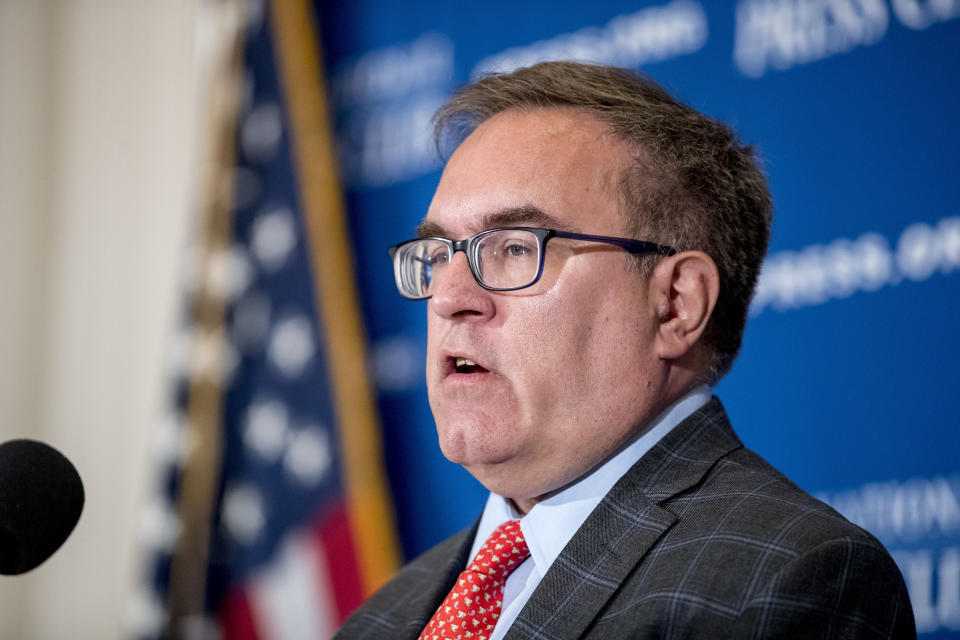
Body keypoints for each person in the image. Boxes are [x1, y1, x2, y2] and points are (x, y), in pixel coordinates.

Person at [335, 62, 915, 639]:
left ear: (675, 304)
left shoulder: (780, 581)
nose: (449, 298)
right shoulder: (378, 619)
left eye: (514, 248)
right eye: (438, 254)